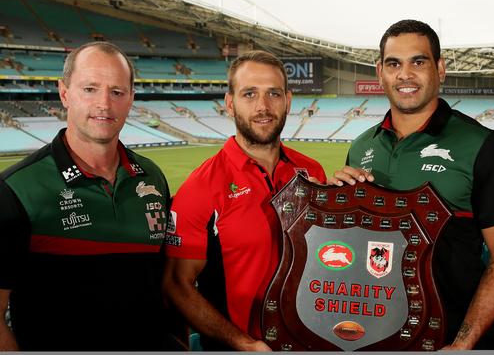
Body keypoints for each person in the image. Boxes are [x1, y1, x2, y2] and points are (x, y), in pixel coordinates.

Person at [329, 20, 494, 349]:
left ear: (440, 69)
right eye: (393, 64)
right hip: (376, 337)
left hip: (452, 341)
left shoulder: (482, 145)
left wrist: (462, 344)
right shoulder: (360, 147)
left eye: (418, 61)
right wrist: (331, 205)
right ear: (380, 72)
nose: (405, 74)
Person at [0, 42, 172, 350]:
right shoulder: (16, 189)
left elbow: (160, 287)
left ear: (131, 99)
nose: (104, 104)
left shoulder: (153, 179)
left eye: (117, 92)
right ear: (64, 93)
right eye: (90, 89)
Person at [163, 50, 326, 351]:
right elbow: (177, 284)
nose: (263, 107)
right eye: (249, 94)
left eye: (273, 94)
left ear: (288, 100)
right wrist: (243, 343)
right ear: (230, 103)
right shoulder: (200, 189)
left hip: (310, 341)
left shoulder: (312, 172)